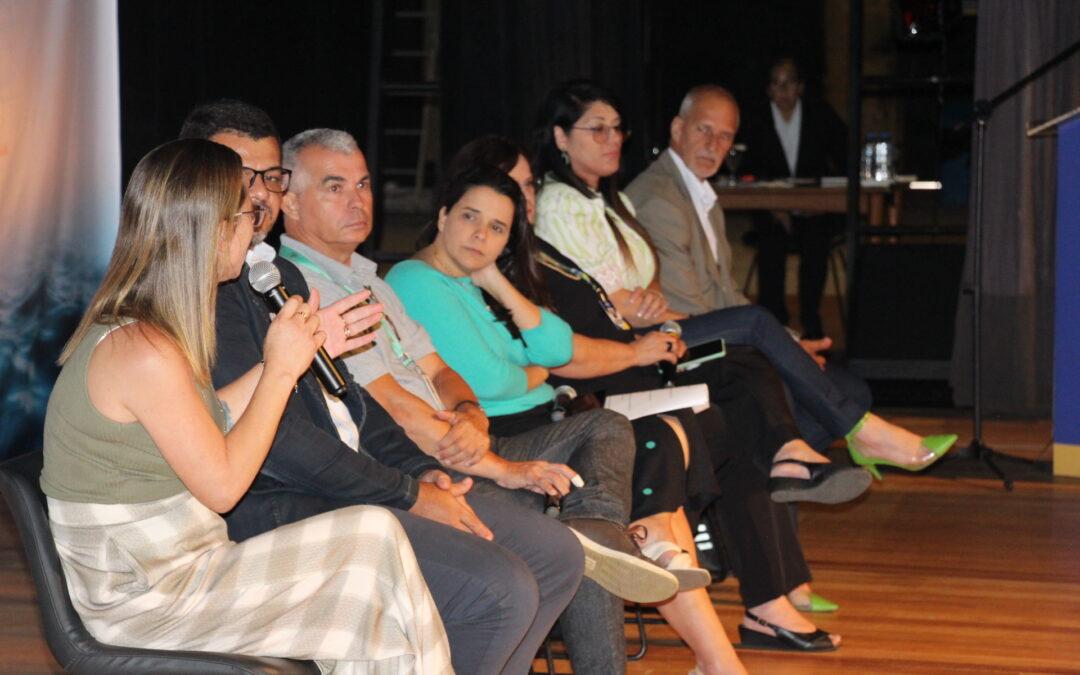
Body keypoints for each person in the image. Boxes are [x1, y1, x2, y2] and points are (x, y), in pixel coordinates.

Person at [182, 101, 585, 675]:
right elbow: (281, 445)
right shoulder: (205, 288)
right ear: (195, 177)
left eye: (269, 176)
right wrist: (409, 491)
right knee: (501, 587)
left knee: (556, 554)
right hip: (279, 507)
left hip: (356, 482)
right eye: (241, 176)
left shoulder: (276, 276)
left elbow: (352, 399)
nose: (259, 195)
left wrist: (419, 472)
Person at [443, 136, 861, 664]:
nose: (524, 198)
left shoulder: (524, 257)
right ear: (451, 210)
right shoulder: (469, 271)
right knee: (702, 411)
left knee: (734, 405)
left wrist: (631, 327)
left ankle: (760, 589)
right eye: (509, 189)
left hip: (591, 392)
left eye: (527, 187)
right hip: (577, 405)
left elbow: (557, 346)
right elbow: (529, 367)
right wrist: (616, 352)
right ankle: (702, 571)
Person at [40, 138, 452, 673]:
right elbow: (224, 486)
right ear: (213, 231)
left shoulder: (149, 332)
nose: (255, 228)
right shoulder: (142, 351)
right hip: (147, 595)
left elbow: (214, 413)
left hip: (180, 565)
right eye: (246, 216)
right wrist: (279, 369)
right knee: (369, 547)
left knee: (373, 540)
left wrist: (302, 352)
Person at [532, 79, 957, 479]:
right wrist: (772, 342)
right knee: (763, 339)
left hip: (663, 328)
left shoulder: (620, 202)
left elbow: (679, 287)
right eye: (598, 130)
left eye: (725, 136)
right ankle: (828, 446)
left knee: (847, 387)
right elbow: (594, 300)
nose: (612, 139)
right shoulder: (626, 201)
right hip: (631, 347)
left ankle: (770, 472)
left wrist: (784, 341)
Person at [739, 58, 848, 338]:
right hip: (772, 210)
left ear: (800, 87)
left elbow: (845, 156)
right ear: (768, 90)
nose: (783, 90)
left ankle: (812, 321)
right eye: (777, 84)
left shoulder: (820, 114)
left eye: (789, 83)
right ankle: (774, 325)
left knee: (816, 242)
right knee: (770, 243)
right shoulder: (757, 119)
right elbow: (746, 170)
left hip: (815, 210)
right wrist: (776, 206)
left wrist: (818, 202)